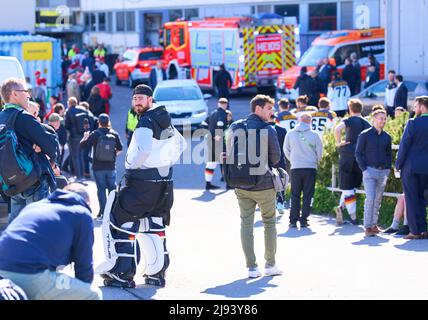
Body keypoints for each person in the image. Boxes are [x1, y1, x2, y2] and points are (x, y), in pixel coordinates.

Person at [99, 84, 186, 287]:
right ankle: (157, 273)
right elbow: (182, 145)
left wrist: (131, 164)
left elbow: (144, 149)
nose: (137, 102)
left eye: (141, 98)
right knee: (155, 224)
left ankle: (122, 272)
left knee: (119, 220)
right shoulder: (165, 121)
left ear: (150, 100)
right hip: (164, 186)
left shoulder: (146, 121)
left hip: (141, 184)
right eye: (135, 99)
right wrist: (165, 161)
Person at [0, 183, 102, 300]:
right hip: (30, 273)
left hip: (2, 270)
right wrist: (82, 289)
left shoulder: (35, 206)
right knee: (93, 294)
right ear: (87, 202)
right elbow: (84, 265)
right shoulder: (81, 213)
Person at [226, 94, 283, 278]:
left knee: (246, 225)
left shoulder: (235, 127)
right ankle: (270, 265)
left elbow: (226, 153)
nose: (272, 112)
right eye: (269, 108)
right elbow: (275, 159)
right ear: (258, 109)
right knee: (269, 223)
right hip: (264, 185)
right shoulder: (269, 130)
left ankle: (251, 267)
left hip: (240, 184)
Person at [0, 78, 59, 223]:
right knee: (38, 229)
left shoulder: (1, 118)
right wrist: (43, 149)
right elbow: (51, 146)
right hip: (34, 182)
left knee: (16, 230)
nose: (28, 95)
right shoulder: (24, 117)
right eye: (25, 91)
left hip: (12, 184)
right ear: (14, 94)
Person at [334, 99, 371, 225]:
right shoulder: (367, 123)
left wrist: (339, 142)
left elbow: (337, 129)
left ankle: (353, 217)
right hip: (361, 157)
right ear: (361, 109)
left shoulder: (348, 120)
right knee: (352, 187)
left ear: (350, 109)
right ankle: (341, 208)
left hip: (346, 155)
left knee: (347, 187)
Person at [355, 107, 392, 237]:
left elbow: (389, 155)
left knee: (377, 200)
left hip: (383, 172)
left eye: (385, 118)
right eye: (381, 118)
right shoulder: (364, 134)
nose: (383, 120)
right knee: (370, 199)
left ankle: (374, 225)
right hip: (369, 171)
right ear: (374, 119)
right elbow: (358, 153)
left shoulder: (387, 137)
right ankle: (367, 227)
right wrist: (364, 169)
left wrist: (388, 169)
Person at [396, 96, 428, 239]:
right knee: (422, 199)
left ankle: (415, 231)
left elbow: (404, 146)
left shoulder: (413, 123)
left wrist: (398, 164)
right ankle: (423, 230)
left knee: (411, 198)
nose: (414, 109)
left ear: (421, 107)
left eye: (416, 106)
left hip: (412, 167)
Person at [80, 114, 123, 219]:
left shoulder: (95, 134)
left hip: (98, 167)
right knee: (112, 189)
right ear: (108, 122)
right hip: (111, 166)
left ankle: (103, 212)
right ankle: (113, 212)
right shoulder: (114, 133)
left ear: (99, 122)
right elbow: (120, 149)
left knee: (101, 190)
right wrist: (112, 156)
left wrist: (85, 137)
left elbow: (83, 146)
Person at [284, 113, 323, 228]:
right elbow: (319, 153)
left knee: (295, 194)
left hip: (295, 167)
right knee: (308, 194)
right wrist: (315, 161)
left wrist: (293, 159)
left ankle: (292, 220)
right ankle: (304, 219)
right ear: (310, 122)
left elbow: (286, 150)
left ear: (299, 120)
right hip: (310, 168)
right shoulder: (315, 135)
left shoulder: (290, 134)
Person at [203, 97, 230, 190]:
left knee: (211, 162)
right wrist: (217, 135)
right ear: (225, 105)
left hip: (210, 141)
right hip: (218, 142)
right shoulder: (223, 114)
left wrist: (209, 134)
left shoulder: (212, 113)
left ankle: (208, 184)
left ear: (218, 104)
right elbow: (220, 125)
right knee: (225, 161)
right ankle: (228, 184)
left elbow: (204, 124)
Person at [64, 97, 91, 180]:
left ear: (69, 103)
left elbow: (67, 125)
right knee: (81, 155)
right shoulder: (83, 109)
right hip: (83, 135)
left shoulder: (68, 111)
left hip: (73, 137)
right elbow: (88, 121)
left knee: (75, 156)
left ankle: (79, 176)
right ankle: (82, 176)